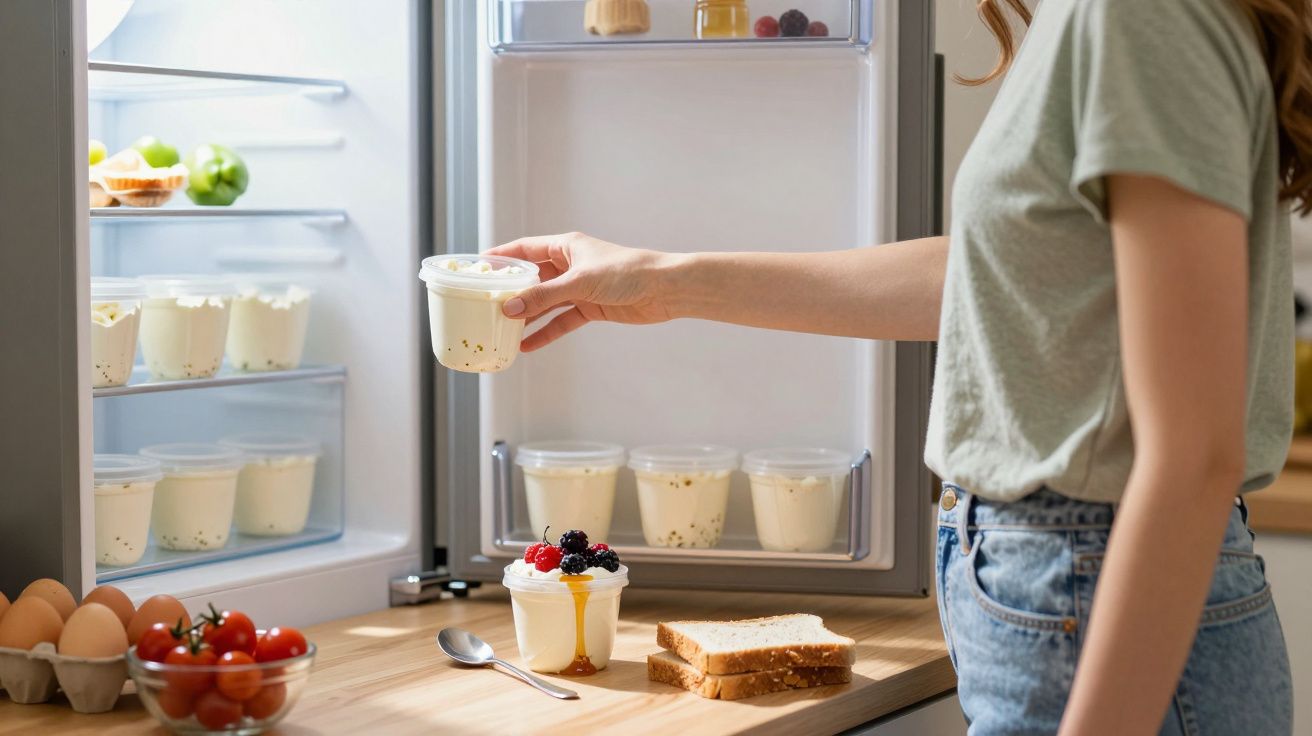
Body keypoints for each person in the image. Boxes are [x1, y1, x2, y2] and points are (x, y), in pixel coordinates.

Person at [488, 0, 1312, 732]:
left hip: (1091, 582)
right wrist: (662, 280)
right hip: (1075, 583)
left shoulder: (1139, 15)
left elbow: (1196, 453)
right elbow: (1005, 276)